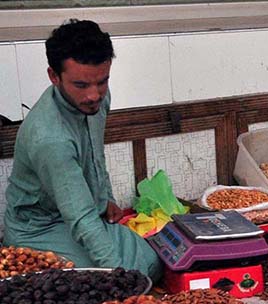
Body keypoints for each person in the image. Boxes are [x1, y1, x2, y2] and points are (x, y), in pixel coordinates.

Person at [3, 19, 162, 280]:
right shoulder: (50, 138)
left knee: (153, 260)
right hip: (39, 229)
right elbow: (81, 218)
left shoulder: (98, 99)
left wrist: (106, 197)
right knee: (104, 280)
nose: (93, 95)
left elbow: (96, 153)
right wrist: (119, 280)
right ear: (54, 77)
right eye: (81, 85)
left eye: (102, 81)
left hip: (83, 213)